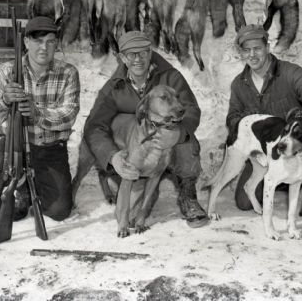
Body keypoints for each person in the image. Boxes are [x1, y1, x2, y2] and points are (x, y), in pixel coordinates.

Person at [83, 31, 209, 227]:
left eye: (143, 52)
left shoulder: (171, 76)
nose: (138, 59)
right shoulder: (114, 87)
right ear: (122, 58)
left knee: (186, 141)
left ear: (150, 53)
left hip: (169, 143)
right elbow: (94, 127)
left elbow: (191, 110)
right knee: (133, 218)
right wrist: (112, 157)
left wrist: (177, 134)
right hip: (140, 152)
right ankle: (143, 188)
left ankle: (188, 196)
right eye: (131, 54)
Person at [226, 24, 302, 240]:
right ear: (241, 53)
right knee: (244, 202)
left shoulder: (289, 72)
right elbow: (233, 117)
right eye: (246, 50)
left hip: (296, 148)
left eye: (257, 48)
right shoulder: (239, 84)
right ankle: (280, 188)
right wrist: (249, 129)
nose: (252, 55)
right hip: (267, 153)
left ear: (268, 46)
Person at [0, 16, 80, 221]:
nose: (44, 47)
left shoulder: (68, 73)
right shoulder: (8, 70)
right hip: (15, 145)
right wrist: (5, 100)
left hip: (50, 148)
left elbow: (69, 116)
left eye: (50, 41)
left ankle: (33, 184)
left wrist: (38, 115)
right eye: (38, 41)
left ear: (56, 44)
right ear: (26, 42)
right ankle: (22, 189)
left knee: (58, 211)